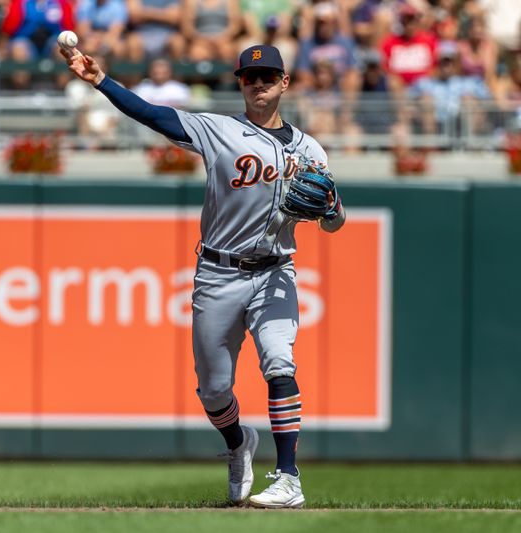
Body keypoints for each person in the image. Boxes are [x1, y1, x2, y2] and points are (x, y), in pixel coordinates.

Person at [62, 43, 345, 508]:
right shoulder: (217, 130)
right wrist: (100, 81)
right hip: (218, 272)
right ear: (239, 83)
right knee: (213, 390)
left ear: (284, 83)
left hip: (276, 272)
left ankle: (289, 477)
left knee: (279, 362)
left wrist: (332, 207)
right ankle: (239, 444)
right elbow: (152, 114)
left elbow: (335, 221)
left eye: (269, 76)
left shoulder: (311, 149)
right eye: (250, 77)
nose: (259, 84)